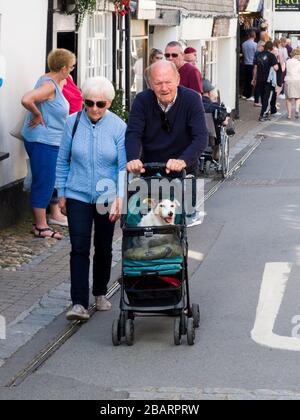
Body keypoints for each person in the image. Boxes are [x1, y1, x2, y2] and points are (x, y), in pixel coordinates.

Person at [56, 76, 127, 321]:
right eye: (89, 103)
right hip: (77, 193)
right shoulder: (72, 123)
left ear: (108, 103)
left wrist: (120, 196)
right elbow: (63, 159)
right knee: (79, 247)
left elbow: (122, 166)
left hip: (107, 195)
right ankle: (78, 302)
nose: (94, 108)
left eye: (100, 104)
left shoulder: (118, 126)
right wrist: (61, 193)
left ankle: (99, 292)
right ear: (84, 101)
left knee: (104, 247)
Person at [125, 61, 208, 226]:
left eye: (168, 82)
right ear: (150, 84)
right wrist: (133, 158)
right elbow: (133, 133)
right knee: (148, 222)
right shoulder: (142, 101)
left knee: (181, 222)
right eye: (158, 83)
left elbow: (200, 136)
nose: (164, 88)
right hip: (151, 168)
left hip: (183, 166)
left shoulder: (191, 99)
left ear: (178, 80)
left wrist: (183, 161)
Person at [21, 48, 76, 239]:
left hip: (47, 140)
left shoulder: (51, 79)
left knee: (46, 180)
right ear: (62, 68)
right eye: (70, 67)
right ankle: (41, 226)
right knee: (44, 182)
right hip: (43, 141)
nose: (72, 70)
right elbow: (27, 99)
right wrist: (37, 114)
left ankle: (41, 222)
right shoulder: (49, 85)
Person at [201, 79, 229, 161]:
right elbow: (224, 122)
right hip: (212, 140)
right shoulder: (215, 107)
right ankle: (216, 153)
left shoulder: (194, 105)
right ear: (209, 93)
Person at [252, 41, 279, 121]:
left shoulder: (258, 55)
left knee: (263, 96)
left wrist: (254, 78)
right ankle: (263, 115)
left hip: (260, 79)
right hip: (268, 80)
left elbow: (255, 68)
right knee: (267, 97)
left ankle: (264, 113)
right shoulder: (272, 56)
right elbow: (276, 67)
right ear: (271, 48)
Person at [284, 47, 300, 120]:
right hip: (297, 80)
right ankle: (296, 109)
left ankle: (289, 115)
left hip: (288, 80)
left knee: (288, 99)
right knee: (298, 97)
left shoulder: (287, 61)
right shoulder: (299, 62)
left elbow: (283, 69)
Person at [241, 31, 257, 100]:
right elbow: (256, 55)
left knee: (246, 79)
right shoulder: (255, 45)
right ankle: (250, 95)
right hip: (252, 63)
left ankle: (244, 93)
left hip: (245, 63)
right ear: (254, 36)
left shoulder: (244, 44)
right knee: (252, 79)